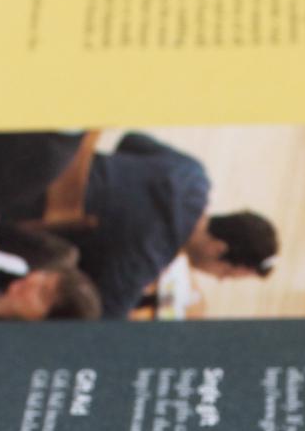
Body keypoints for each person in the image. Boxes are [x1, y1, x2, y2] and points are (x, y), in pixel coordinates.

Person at [39, 132, 279, 318]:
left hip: (58, 160)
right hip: (36, 209)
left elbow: (131, 140)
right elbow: (104, 318)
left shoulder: (194, 175)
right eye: (226, 273)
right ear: (217, 248)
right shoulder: (148, 256)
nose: (219, 279)